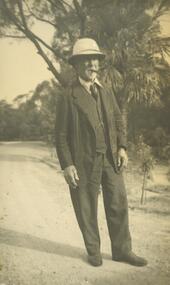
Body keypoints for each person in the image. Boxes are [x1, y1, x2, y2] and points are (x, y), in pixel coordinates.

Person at [55, 38, 147, 267]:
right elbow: (61, 136)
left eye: (95, 60)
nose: (93, 65)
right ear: (76, 64)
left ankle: (122, 251)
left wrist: (122, 147)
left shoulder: (105, 91)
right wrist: (67, 164)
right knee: (86, 206)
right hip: (84, 160)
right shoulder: (68, 96)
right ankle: (94, 252)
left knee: (118, 202)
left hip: (110, 158)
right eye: (87, 60)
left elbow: (118, 119)